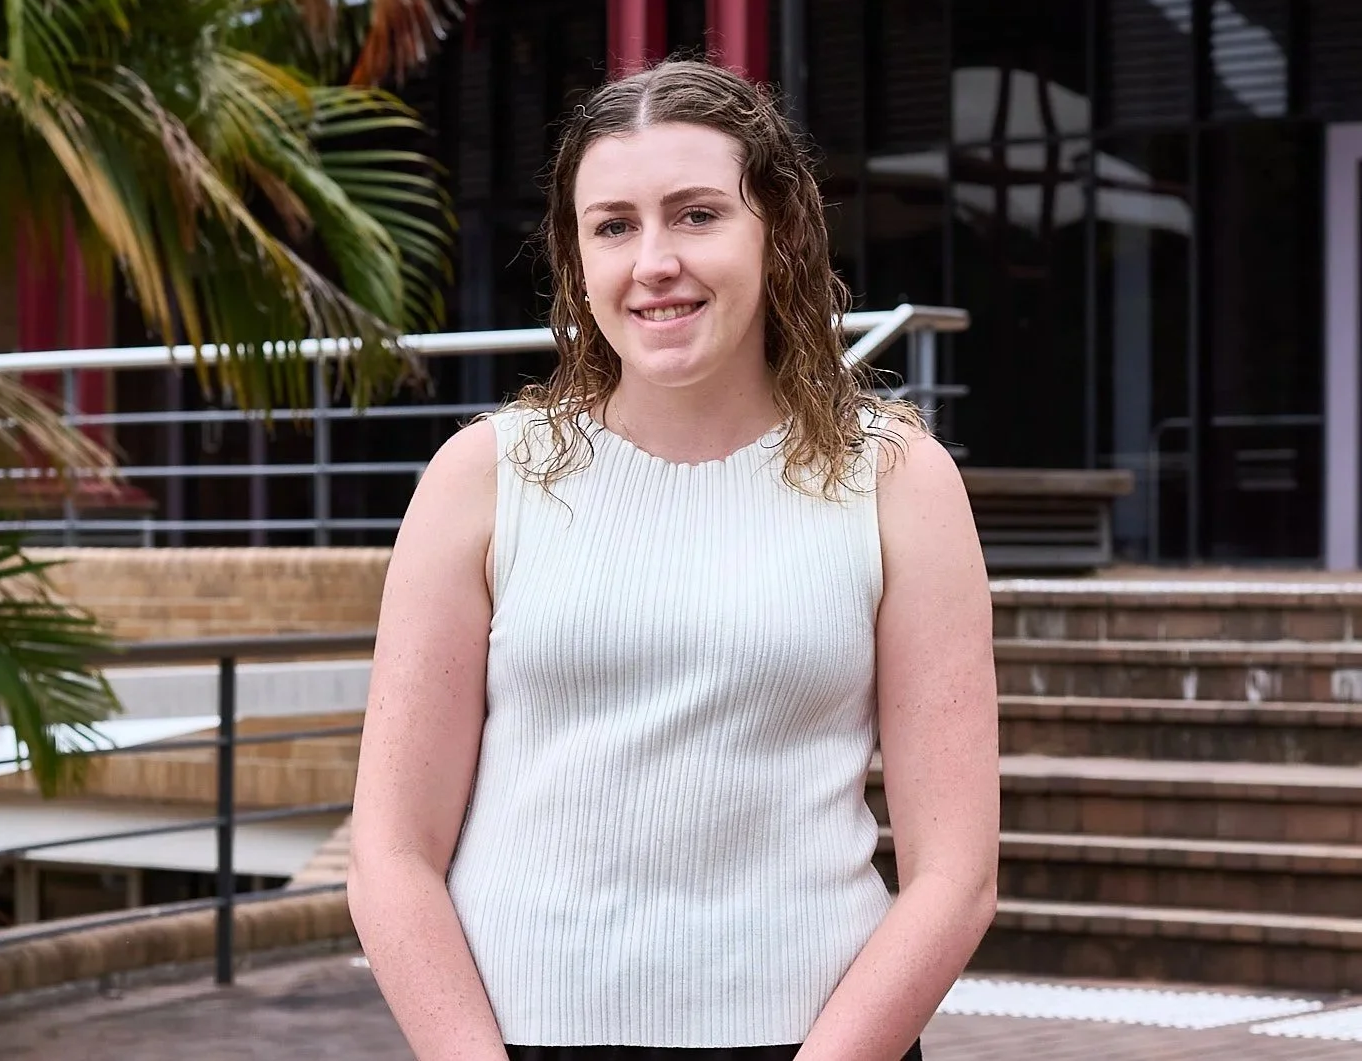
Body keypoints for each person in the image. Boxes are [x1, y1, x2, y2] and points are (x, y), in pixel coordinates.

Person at [348, 59, 999, 1061]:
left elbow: (956, 873)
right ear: (577, 257)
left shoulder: (899, 478)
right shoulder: (482, 476)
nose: (654, 260)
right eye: (614, 225)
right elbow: (392, 852)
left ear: (777, 232)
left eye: (697, 215)